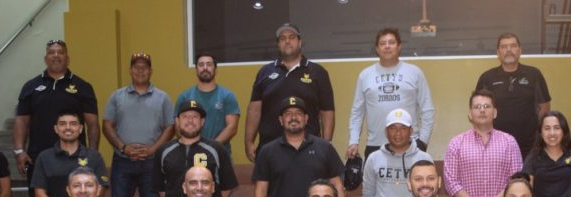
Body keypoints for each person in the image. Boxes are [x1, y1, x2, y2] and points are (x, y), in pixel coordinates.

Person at [14, 39, 99, 197]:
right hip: (39, 158)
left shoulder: (82, 86)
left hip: (76, 158)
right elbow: (21, 121)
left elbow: (93, 124)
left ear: (67, 57)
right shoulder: (31, 87)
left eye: (60, 52)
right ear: (46, 58)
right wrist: (19, 151)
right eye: (51, 52)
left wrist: (92, 154)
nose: (56, 56)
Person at [244, 23, 335, 162]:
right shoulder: (264, 72)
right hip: (269, 149)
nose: (287, 41)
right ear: (278, 44)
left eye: (292, 37)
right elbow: (255, 110)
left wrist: (325, 144)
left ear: (300, 42)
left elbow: (327, 111)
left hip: (308, 149)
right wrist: (249, 141)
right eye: (282, 38)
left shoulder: (318, 72)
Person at [102, 52, 175, 197]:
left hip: (151, 163)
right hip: (122, 161)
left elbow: (170, 127)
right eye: (136, 67)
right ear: (130, 70)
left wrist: (152, 150)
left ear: (151, 71)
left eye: (145, 67)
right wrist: (123, 147)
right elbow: (107, 125)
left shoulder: (162, 97)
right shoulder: (117, 96)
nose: (140, 70)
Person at [444, 89, 523, 197]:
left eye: (486, 106)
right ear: (470, 114)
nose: (482, 110)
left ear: (495, 112)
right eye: (477, 107)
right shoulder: (456, 143)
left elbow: (516, 181)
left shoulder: (509, 142)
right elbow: (450, 182)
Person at [347, 27, 434, 159]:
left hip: (410, 144)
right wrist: (353, 141)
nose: (387, 46)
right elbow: (357, 112)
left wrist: (423, 141)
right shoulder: (365, 75)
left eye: (391, 42)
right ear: (377, 49)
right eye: (383, 43)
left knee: (413, 181)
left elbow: (427, 109)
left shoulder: (415, 72)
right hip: (375, 145)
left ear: (399, 46)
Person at [153, 99, 237, 197]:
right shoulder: (163, 151)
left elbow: (227, 186)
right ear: (177, 121)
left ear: (202, 121)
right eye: (185, 116)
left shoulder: (217, 149)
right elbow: (160, 188)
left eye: (195, 117)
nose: (190, 121)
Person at [474, 32, 551, 158]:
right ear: (498, 52)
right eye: (504, 47)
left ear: (520, 50)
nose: (509, 50)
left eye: (513, 46)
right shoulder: (487, 77)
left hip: (529, 144)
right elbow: (478, 108)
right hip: (496, 144)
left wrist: (539, 135)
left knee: (528, 177)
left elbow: (544, 106)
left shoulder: (534, 74)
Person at [31, 110, 109, 197]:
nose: (68, 127)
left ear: (80, 129)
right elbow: (39, 194)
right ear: (56, 129)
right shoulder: (44, 157)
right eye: (62, 124)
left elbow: (100, 192)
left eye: (73, 124)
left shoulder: (94, 157)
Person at [174, 53, 241, 154]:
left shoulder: (227, 96)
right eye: (201, 65)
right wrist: (194, 146)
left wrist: (210, 147)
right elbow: (178, 127)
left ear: (215, 69)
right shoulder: (184, 97)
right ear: (196, 69)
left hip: (219, 153)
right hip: (191, 153)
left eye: (209, 64)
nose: (205, 68)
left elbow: (232, 128)